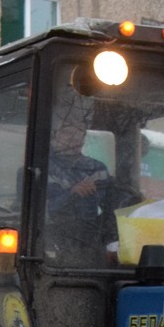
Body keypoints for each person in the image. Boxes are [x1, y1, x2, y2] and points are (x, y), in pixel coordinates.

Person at [45, 109, 115, 263]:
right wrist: (72, 194)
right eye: (67, 132)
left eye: (79, 133)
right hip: (49, 245)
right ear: (53, 136)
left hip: (89, 244)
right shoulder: (41, 167)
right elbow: (39, 212)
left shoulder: (97, 169)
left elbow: (110, 209)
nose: (74, 138)